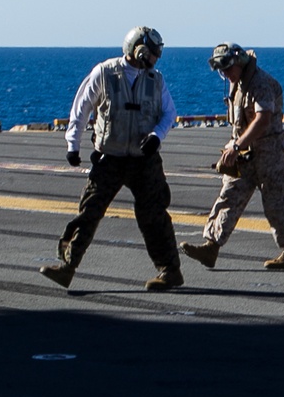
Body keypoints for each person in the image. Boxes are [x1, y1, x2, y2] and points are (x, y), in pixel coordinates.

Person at [39, 26, 183, 291]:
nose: (155, 59)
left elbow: (169, 113)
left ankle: (170, 271)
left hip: (144, 159)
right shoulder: (105, 73)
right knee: (89, 212)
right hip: (110, 158)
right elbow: (82, 106)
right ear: (138, 49)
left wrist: (156, 136)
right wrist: (73, 144)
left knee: (154, 215)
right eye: (152, 53)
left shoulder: (155, 79)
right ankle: (67, 268)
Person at [180, 43, 284, 270]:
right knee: (229, 197)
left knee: (275, 205)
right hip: (245, 155)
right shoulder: (237, 85)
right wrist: (235, 148)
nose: (225, 75)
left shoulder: (260, 83)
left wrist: (236, 146)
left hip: (269, 155)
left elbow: (262, 119)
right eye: (221, 71)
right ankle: (211, 247)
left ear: (239, 63)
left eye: (227, 69)